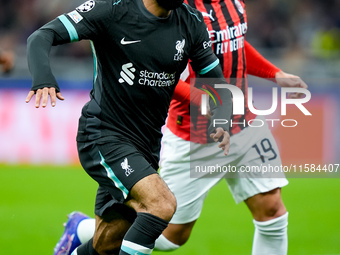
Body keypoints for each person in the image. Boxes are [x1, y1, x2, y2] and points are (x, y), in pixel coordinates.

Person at [52, 0, 309, 255]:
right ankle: (82, 229)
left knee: (273, 212)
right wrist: (204, 100)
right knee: (170, 234)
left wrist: (273, 73)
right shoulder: (174, 8)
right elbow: (154, 69)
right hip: (193, 133)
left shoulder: (234, 3)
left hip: (244, 122)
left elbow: (235, 44)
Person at [25, 0, 233, 254]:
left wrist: (222, 119)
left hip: (146, 144)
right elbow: (41, 36)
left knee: (107, 244)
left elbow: (217, 82)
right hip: (103, 135)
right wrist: (43, 77)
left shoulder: (191, 21)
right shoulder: (112, 9)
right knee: (161, 204)